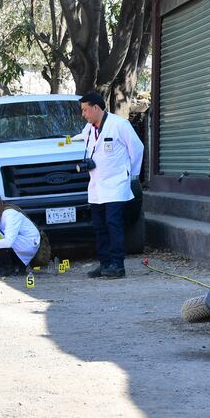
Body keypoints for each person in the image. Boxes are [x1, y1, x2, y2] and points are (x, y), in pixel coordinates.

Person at [76, 92, 144, 279]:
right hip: (96, 185)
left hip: (116, 184)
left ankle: (117, 264)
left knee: (113, 223)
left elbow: (137, 149)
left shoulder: (119, 125)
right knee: (99, 225)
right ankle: (104, 263)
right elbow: (79, 140)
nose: (84, 114)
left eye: (85, 110)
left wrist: (132, 174)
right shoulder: (89, 129)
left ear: (96, 108)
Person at [0, 188, 49, 276]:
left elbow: (8, 242)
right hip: (18, 244)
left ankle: (13, 267)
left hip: (29, 245)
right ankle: (13, 266)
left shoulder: (9, 214)